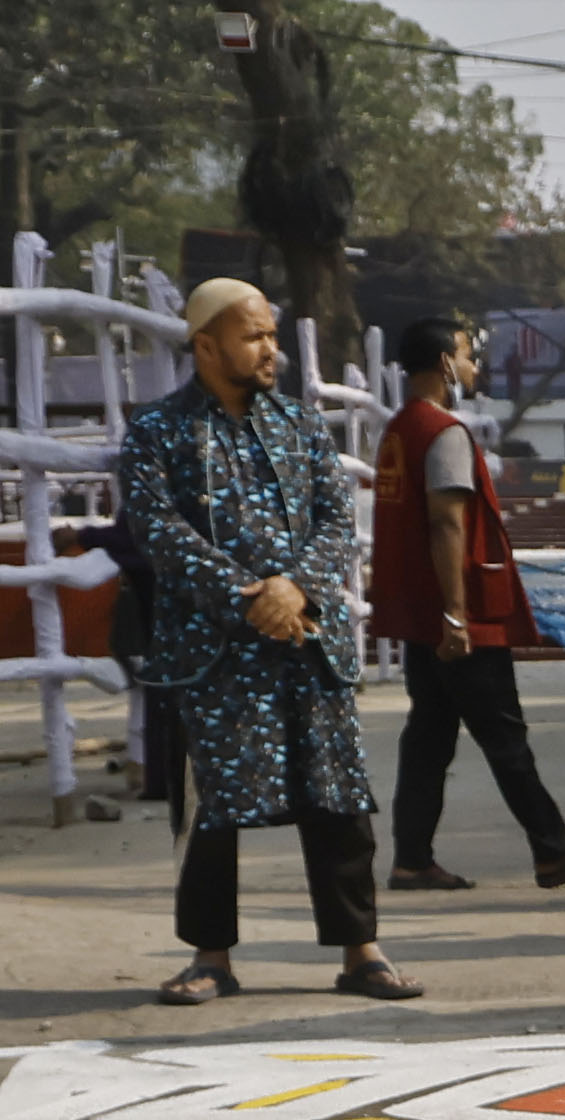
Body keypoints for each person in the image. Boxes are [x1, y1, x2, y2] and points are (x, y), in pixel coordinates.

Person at [119, 279, 421, 1004]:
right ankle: (210, 956)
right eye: (254, 337)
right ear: (206, 345)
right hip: (211, 655)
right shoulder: (157, 432)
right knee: (209, 809)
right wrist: (248, 596)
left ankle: (361, 953)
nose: (270, 351)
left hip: (306, 640)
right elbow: (159, 532)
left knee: (337, 800)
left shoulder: (299, 424)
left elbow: (334, 520)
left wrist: (296, 589)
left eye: (272, 336)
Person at [368, 317, 565, 893]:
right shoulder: (443, 433)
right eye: (465, 355)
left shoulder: (396, 432)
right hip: (463, 618)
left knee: (428, 738)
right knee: (505, 739)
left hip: (420, 615)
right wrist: (456, 616)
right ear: (441, 363)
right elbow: (447, 524)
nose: (473, 366)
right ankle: (555, 852)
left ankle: (411, 857)